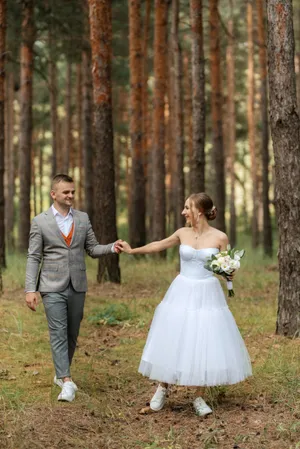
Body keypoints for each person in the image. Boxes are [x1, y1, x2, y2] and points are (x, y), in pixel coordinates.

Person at [119, 192, 252, 416]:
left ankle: (198, 396)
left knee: (203, 339)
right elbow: (159, 244)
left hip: (207, 292)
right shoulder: (182, 232)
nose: (183, 212)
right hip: (182, 290)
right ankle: (162, 388)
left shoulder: (220, 237)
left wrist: (229, 272)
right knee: (174, 335)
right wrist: (133, 250)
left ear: (199, 211)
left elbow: (227, 267)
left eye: (186, 207)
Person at [25, 173, 123, 402]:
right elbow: (33, 257)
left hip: (77, 285)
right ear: (54, 194)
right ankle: (66, 381)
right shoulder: (40, 221)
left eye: (72, 192)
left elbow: (93, 248)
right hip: (51, 286)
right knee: (58, 331)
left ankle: (60, 373)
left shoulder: (82, 218)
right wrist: (31, 289)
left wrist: (111, 248)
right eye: (66, 192)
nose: (70, 196)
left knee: (72, 332)